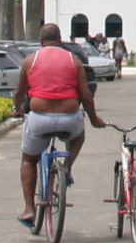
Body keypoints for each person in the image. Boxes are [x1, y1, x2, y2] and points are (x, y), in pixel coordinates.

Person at [15, 21, 105, 227]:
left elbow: (20, 92)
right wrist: (94, 119)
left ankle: (29, 209)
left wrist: (18, 108)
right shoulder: (73, 60)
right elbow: (86, 96)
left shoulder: (30, 60)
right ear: (60, 40)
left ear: (41, 41)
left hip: (40, 118)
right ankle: (66, 167)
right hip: (69, 118)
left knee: (29, 160)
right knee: (79, 135)